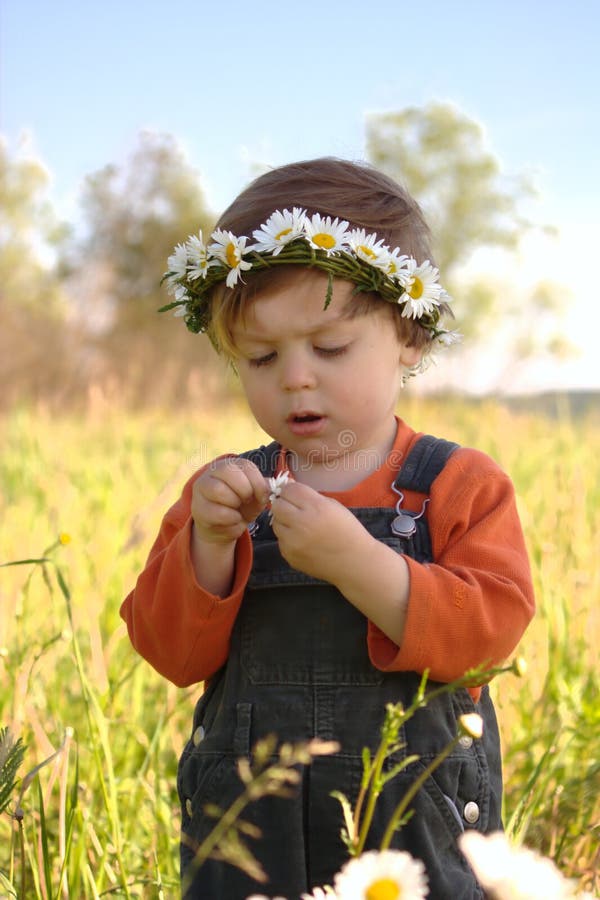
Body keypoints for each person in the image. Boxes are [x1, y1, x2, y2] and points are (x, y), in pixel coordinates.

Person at [120, 157, 535, 899]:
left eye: (331, 347)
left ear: (410, 338)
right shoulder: (223, 496)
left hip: (415, 834)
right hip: (251, 835)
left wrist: (359, 564)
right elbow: (169, 652)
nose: (296, 377)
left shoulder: (458, 485)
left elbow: (488, 640)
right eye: (261, 356)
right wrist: (210, 548)